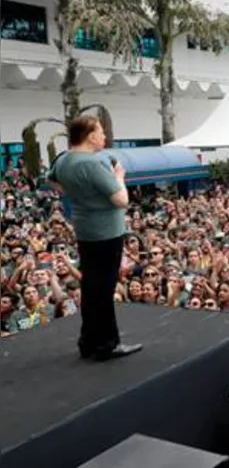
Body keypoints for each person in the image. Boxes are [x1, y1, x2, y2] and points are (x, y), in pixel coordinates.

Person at [47, 115, 141, 361]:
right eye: (100, 132)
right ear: (89, 135)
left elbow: (51, 180)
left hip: (85, 230)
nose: (104, 137)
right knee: (103, 290)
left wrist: (78, 196)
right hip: (106, 233)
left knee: (90, 287)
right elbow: (122, 201)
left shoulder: (64, 159)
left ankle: (88, 341)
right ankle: (107, 345)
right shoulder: (92, 164)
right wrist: (119, 176)